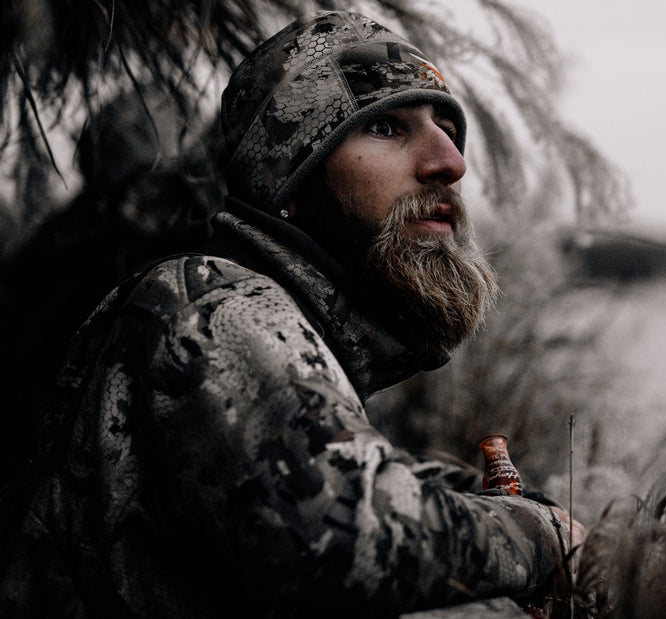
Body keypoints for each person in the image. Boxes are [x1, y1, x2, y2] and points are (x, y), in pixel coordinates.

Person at [0, 10, 582, 617]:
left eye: (447, 129)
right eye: (385, 126)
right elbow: (345, 538)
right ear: (290, 181)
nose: (451, 163)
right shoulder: (214, 301)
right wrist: (542, 537)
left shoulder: (297, 323)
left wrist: (466, 497)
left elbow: (319, 478)